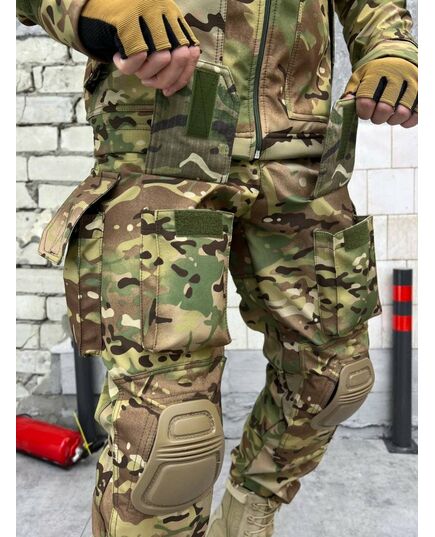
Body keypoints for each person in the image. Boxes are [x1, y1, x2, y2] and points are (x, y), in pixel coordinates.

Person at [16, 1, 418, 536]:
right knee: (170, 436)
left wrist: (391, 44)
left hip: (303, 157)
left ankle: (247, 515)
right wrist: (96, 8)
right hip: (163, 153)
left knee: (335, 378)